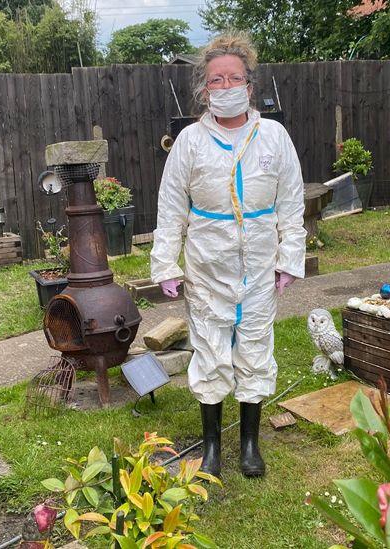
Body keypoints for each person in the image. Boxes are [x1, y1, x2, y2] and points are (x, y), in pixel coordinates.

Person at [150, 33, 306, 478]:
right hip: (207, 264)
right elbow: (171, 207)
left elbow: (291, 204)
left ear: (249, 86)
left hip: (258, 264)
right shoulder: (190, 143)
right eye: (216, 79)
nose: (225, 85)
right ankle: (213, 447)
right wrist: (166, 264)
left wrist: (288, 258)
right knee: (210, 351)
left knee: (255, 349)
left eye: (234, 77)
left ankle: (250, 446)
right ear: (205, 90)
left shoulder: (274, 137)